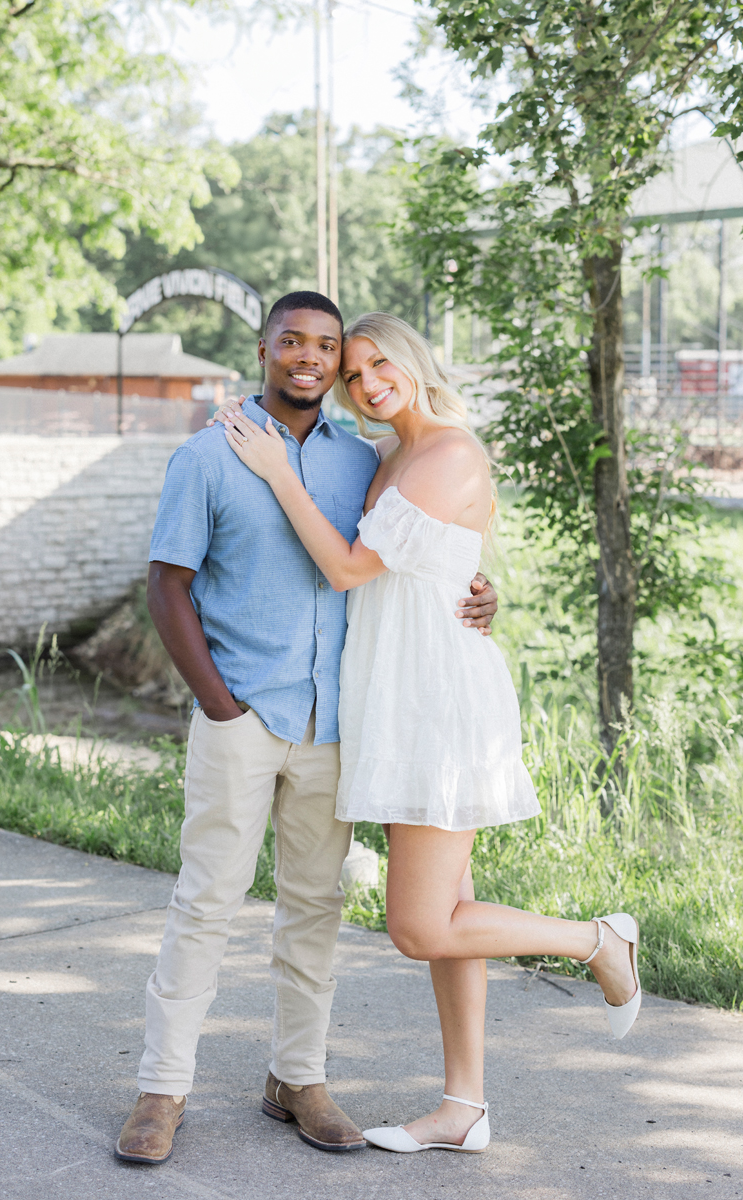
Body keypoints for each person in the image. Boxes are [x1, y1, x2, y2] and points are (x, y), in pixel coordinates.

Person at [220, 310, 642, 1155]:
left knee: (418, 926)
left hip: (438, 703)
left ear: (414, 362)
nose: (368, 384)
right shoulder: (386, 454)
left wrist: (276, 471)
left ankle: (599, 939)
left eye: (380, 366)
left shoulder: (448, 450)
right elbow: (432, 569)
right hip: (396, 694)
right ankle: (465, 1108)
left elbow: (346, 568)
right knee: (448, 912)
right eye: (355, 376)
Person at [114, 292, 499, 1164]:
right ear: (263, 349)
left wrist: (476, 593)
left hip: (338, 724)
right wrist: (220, 703)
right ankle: (161, 1090)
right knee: (205, 904)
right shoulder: (210, 454)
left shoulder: (365, 461)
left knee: (314, 911)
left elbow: (418, 551)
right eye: (295, 341)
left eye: (331, 347)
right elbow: (166, 586)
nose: (316, 360)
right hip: (243, 712)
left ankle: (298, 1079)